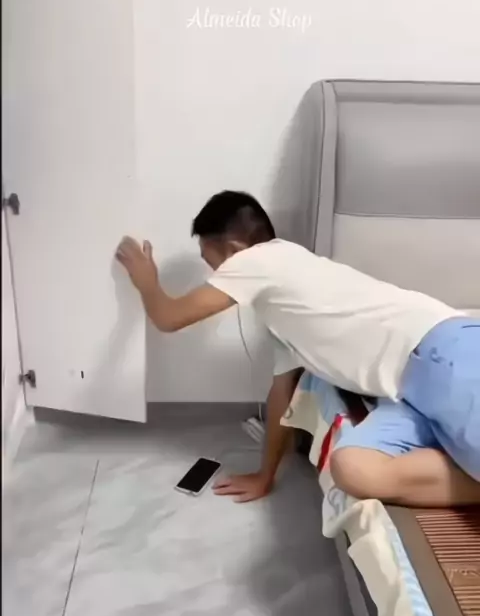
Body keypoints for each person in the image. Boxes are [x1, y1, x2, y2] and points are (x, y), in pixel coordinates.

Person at [116, 190, 480, 508]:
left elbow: (170, 318)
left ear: (234, 250)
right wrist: (265, 476)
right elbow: (281, 394)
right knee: (353, 467)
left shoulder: (258, 260)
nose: (213, 271)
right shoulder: (287, 308)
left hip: (442, 353)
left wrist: (147, 281)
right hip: (406, 394)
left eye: (208, 259)